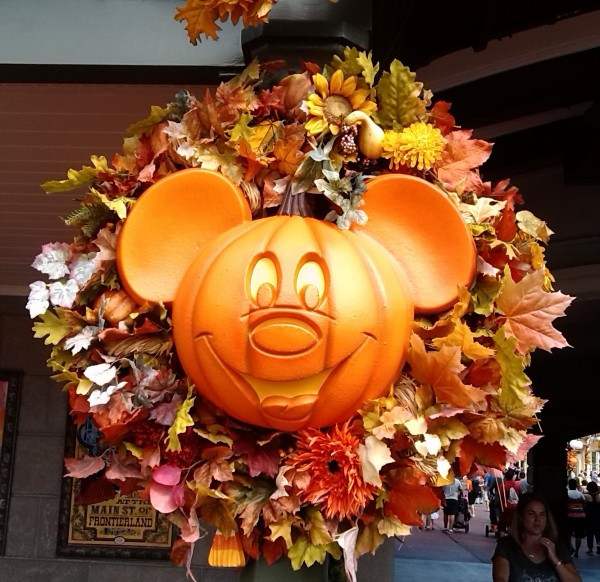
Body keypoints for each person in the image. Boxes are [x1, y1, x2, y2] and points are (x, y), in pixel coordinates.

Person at [492, 493, 581, 582]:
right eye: (531, 514)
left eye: (542, 514)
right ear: (520, 517)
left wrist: (555, 560)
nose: (538, 519)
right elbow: (500, 578)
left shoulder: (557, 547)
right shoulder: (507, 546)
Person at [566, 478, 586, 557]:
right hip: (580, 516)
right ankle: (577, 552)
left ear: (569, 485)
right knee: (579, 535)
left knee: (568, 534)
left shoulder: (567, 493)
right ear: (576, 485)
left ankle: (571, 547)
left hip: (569, 516)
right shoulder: (580, 494)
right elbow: (584, 505)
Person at [584, 480, 600, 555]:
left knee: (589, 533)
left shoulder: (586, 496)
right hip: (598, 516)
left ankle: (590, 548)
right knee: (598, 533)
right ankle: (599, 547)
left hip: (589, 517)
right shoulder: (599, 496)